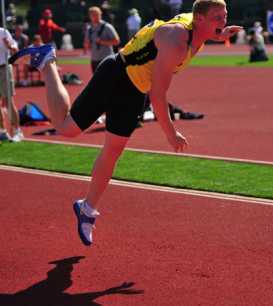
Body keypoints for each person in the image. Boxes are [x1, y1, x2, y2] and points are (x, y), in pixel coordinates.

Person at [9, 0, 242, 246]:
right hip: (116, 76)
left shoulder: (199, 25)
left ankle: (87, 209)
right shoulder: (176, 42)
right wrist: (170, 134)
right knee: (67, 129)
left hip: (135, 91)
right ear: (201, 19)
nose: (223, 21)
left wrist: (219, 33)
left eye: (225, 16)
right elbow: (158, 96)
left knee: (113, 150)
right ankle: (47, 63)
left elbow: (203, 31)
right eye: (218, 18)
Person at [0, 27, 24, 142]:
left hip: (4, 67)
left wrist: (9, 45)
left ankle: (17, 131)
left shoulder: (3, 32)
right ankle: (2, 131)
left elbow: (16, 49)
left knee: (9, 100)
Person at [84, 6, 120, 74]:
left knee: (108, 81)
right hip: (94, 59)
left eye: (97, 14)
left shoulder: (107, 27)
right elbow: (87, 44)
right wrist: (87, 44)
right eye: (93, 15)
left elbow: (117, 41)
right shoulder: (89, 29)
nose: (96, 16)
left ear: (100, 14)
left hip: (106, 59)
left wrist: (101, 41)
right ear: (90, 16)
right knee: (96, 82)